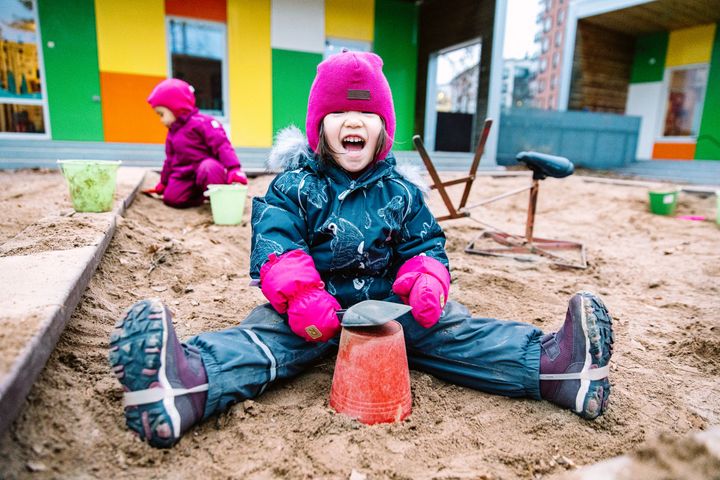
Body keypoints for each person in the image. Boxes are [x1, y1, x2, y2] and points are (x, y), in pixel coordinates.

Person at [109, 51, 614, 448]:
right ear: (319, 127)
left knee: (456, 329)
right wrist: (302, 296)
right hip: (310, 312)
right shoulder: (293, 186)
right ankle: (188, 383)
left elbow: (425, 244)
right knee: (263, 340)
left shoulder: (402, 192)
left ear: (384, 129)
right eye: (340, 112)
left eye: (366, 112)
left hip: (387, 310)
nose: (354, 121)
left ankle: (556, 369)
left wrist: (425, 280)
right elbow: (276, 242)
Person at [144, 78, 248, 208]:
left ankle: (218, 198)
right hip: (184, 174)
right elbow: (169, 160)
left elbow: (222, 145)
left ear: (176, 108)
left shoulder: (203, 123)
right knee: (171, 199)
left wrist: (234, 169)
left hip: (205, 170)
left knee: (209, 167)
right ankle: (199, 195)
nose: (161, 120)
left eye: (161, 114)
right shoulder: (172, 132)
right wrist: (163, 183)